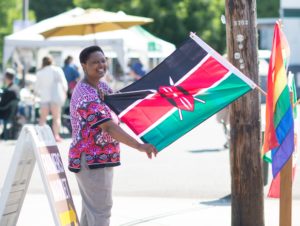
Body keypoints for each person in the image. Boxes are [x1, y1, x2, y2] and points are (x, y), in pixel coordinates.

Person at [69, 46, 158, 226]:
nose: (100, 65)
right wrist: (140, 146)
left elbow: (120, 106)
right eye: (95, 62)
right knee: (101, 211)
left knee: (91, 212)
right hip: (91, 159)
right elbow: (108, 127)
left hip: (99, 159)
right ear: (84, 66)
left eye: (103, 60)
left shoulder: (100, 86)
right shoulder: (86, 94)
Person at [34, 56, 68, 142]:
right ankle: (56, 135)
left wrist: (35, 95)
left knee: (42, 118)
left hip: (44, 97)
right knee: (56, 117)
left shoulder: (40, 72)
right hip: (55, 96)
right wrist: (65, 93)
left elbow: (36, 87)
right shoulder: (57, 70)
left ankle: (41, 136)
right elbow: (64, 84)